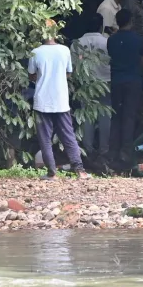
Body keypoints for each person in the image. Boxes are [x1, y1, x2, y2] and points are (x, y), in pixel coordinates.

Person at [28, 23, 89, 179]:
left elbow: (32, 76)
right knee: (68, 136)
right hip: (61, 100)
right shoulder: (64, 50)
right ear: (56, 32)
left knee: (45, 139)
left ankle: (52, 173)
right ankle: (80, 171)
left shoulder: (36, 52)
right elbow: (68, 73)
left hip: (42, 102)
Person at [107, 9, 143, 162]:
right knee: (129, 116)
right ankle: (126, 152)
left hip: (116, 80)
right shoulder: (137, 39)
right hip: (133, 81)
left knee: (116, 116)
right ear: (130, 21)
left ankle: (112, 152)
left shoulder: (111, 40)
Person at [73, 14, 112, 160]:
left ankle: (87, 148)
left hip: (86, 83)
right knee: (105, 115)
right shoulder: (107, 42)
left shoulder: (77, 43)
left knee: (87, 115)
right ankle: (104, 148)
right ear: (100, 26)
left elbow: (73, 65)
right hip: (105, 82)